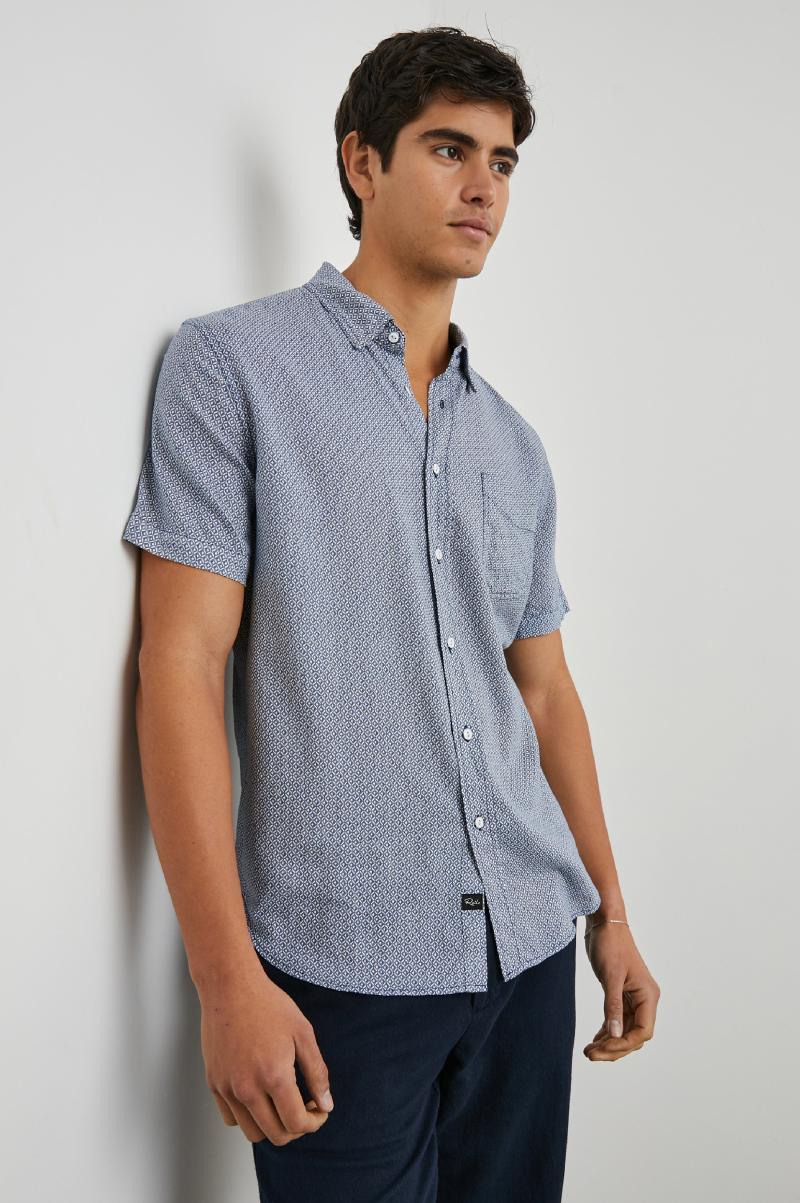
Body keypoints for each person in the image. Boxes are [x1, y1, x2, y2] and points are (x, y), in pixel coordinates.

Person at [122, 24, 660, 1203]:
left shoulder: (512, 444)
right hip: (342, 970)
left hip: (528, 950)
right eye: (448, 149)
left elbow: (543, 692)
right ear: (361, 162)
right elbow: (179, 661)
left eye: (502, 162)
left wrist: (609, 916)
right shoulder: (233, 369)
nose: (483, 188)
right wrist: (226, 981)